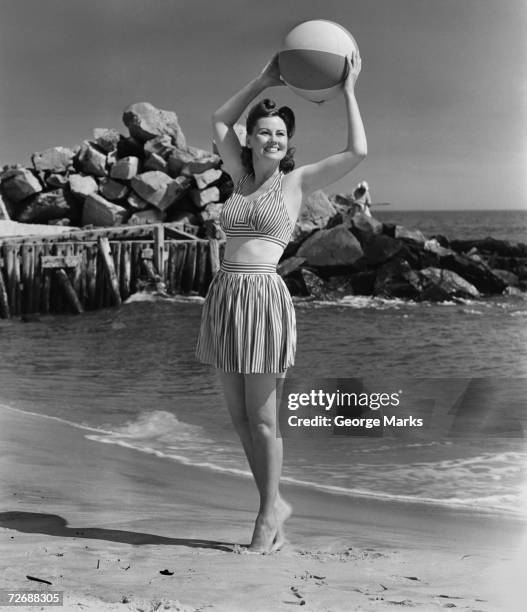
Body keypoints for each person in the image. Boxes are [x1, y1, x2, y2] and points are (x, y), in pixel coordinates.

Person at [195, 51, 367, 553]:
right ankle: (273, 504)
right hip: (226, 295)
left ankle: (268, 514)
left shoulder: (294, 183)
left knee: (265, 418)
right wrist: (265, 80)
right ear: (250, 139)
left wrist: (347, 91)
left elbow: (357, 150)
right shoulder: (239, 176)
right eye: (264, 131)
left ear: (288, 143)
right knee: (240, 418)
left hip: (264, 299)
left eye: (279, 133)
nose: (272, 138)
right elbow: (219, 119)